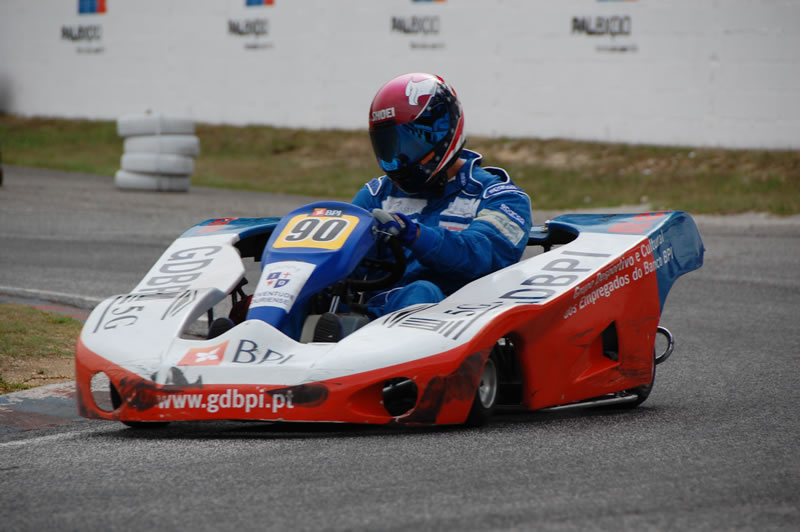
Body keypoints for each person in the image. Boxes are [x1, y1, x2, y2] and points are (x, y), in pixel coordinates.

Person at [351, 72, 533, 319]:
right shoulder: (377, 195)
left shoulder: (501, 198)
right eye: (390, 144)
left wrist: (414, 234)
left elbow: (480, 256)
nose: (398, 156)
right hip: (375, 314)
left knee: (420, 292)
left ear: (440, 131)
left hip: (459, 321)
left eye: (409, 143)